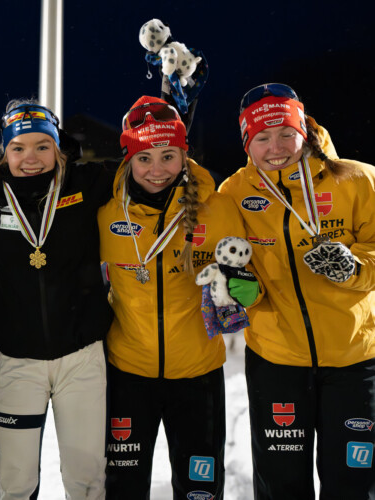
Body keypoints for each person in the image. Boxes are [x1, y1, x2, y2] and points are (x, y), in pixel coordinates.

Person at [219, 83, 375, 499]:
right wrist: (242, 288)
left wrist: (353, 266)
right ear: (246, 142)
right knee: (281, 485)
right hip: (277, 360)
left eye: (286, 133)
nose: (276, 148)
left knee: (353, 484)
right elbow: (231, 258)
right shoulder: (233, 193)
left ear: (304, 130)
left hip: (354, 359)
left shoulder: (359, 179)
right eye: (262, 137)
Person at [98, 96, 253, 499]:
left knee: (200, 489)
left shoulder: (218, 208)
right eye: (144, 157)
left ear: (185, 155)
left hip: (198, 374)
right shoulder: (106, 213)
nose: (156, 170)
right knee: (123, 489)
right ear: (128, 159)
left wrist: (233, 286)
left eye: (168, 156)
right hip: (127, 374)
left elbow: (250, 289)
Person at [0, 100, 114, 499]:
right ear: (5, 151)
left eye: (41, 147)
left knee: (86, 482)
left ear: (58, 148)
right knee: (15, 484)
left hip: (80, 358)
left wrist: (177, 108)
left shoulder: (86, 183)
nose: (29, 158)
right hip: (18, 360)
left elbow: (152, 169)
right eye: (18, 148)